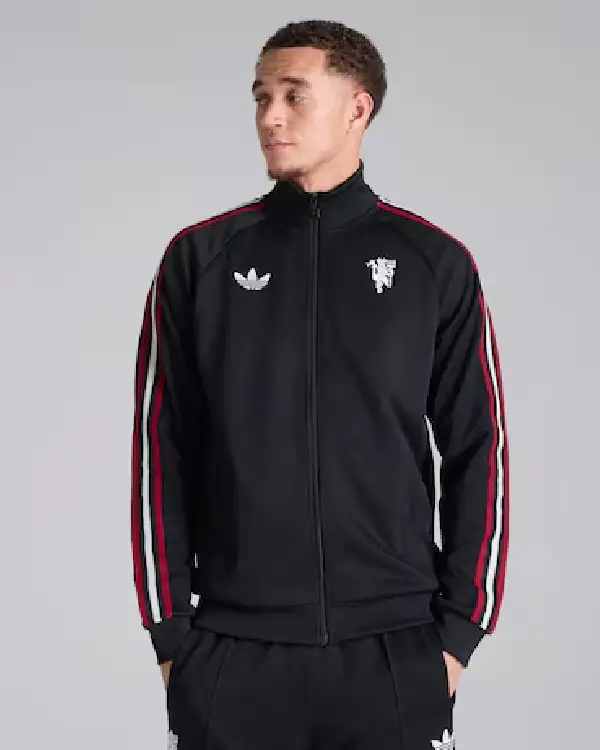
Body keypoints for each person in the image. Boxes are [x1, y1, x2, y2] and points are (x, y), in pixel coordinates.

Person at [130, 18, 509, 750]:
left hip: (394, 651)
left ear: (357, 107)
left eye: (294, 95)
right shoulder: (200, 260)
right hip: (233, 651)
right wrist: (172, 636)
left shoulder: (432, 263)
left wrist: (459, 633)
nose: (270, 116)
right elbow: (159, 452)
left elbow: (480, 447)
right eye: (260, 97)